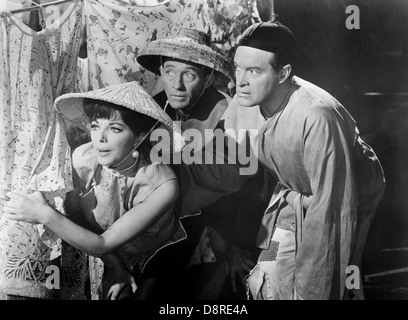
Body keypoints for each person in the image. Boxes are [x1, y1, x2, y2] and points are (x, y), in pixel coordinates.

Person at [178, 21, 386, 300]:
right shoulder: (244, 101)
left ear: (283, 73)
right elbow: (222, 163)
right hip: (293, 199)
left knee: (324, 285)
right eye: (238, 68)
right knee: (266, 280)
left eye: (253, 71)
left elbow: (331, 210)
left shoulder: (317, 117)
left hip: (345, 199)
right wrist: (163, 185)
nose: (239, 81)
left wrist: (312, 290)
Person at [0, 81, 186, 300]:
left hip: (156, 258)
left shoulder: (162, 186)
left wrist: (42, 214)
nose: (100, 138)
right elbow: (77, 219)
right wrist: (114, 265)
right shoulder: (84, 159)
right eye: (96, 126)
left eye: (115, 129)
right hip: (104, 252)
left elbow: (102, 244)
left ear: (139, 137)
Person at [133, 28, 269, 299]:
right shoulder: (151, 109)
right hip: (154, 227)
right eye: (170, 72)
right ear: (160, 69)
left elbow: (248, 189)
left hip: (217, 228)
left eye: (190, 75)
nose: (177, 85)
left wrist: (234, 242)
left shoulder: (228, 115)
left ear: (207, 78)